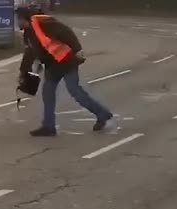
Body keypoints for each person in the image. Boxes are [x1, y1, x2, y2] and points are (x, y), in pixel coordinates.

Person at [16, 6, 115, 137]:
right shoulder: (28, 33)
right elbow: (30, 52)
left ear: (23, 18)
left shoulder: (43, 23)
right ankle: (48, 127)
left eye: (17, 19)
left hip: (66, 61)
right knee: (48, 93)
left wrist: (77, 49)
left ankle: (102, 114)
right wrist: (24, 72)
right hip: (52, 65)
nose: (16, 22)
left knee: (75, 91)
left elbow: (66, 31)